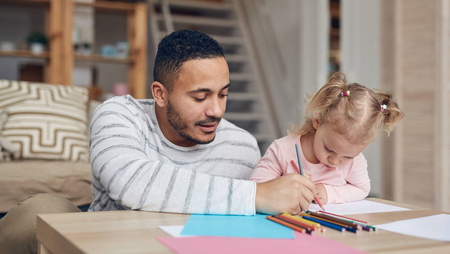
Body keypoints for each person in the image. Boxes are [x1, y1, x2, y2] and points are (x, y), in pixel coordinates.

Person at [0, 29, 315, 254]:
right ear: (160, 94)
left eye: (223, 94)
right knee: (39, 209)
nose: (216, 110)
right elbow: (128, 182)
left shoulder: (241, 144)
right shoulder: (119, 114)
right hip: (110, 244)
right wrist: (256, 194)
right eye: (200, 96)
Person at [250, 72, 404, 204]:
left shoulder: (356, 162)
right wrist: (287, 185)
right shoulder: (282, 150)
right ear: (317, 121)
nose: (335, 161)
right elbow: (255, 188)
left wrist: (329, 193)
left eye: (348, 156)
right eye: (329, 149)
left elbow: (362, 189)